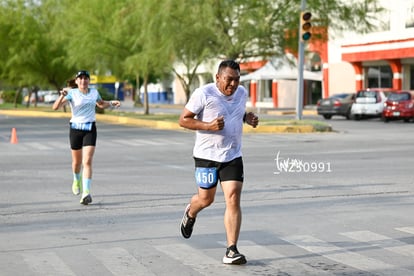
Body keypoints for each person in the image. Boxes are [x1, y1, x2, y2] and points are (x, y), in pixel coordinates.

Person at [179, 60, 259, 265]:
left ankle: (231, 249)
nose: (233, 84)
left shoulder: (241, 93)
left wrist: (246, 118)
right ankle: (191, 211)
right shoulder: (203, 93)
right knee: (206, 199)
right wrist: (207, 125)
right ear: (218, 77)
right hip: (206, 156)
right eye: (228, 80)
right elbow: (184, 120)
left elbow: (236, 113)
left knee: (233, 197)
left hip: (232, 155)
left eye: (236, 79)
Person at [53, 70, 121, 205]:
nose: (83, 81)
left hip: (90, 128)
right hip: (75, 130)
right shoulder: (72, 93)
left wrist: (112, 103)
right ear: (77, 81)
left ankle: (86, 193)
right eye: (81, 78)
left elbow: (100, 104)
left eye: (86, 78)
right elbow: (55, 107)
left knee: (87, 161)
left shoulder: (94, 93)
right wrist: (61, 96)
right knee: (77, 163)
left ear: (89, 81)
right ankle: (76, 179)